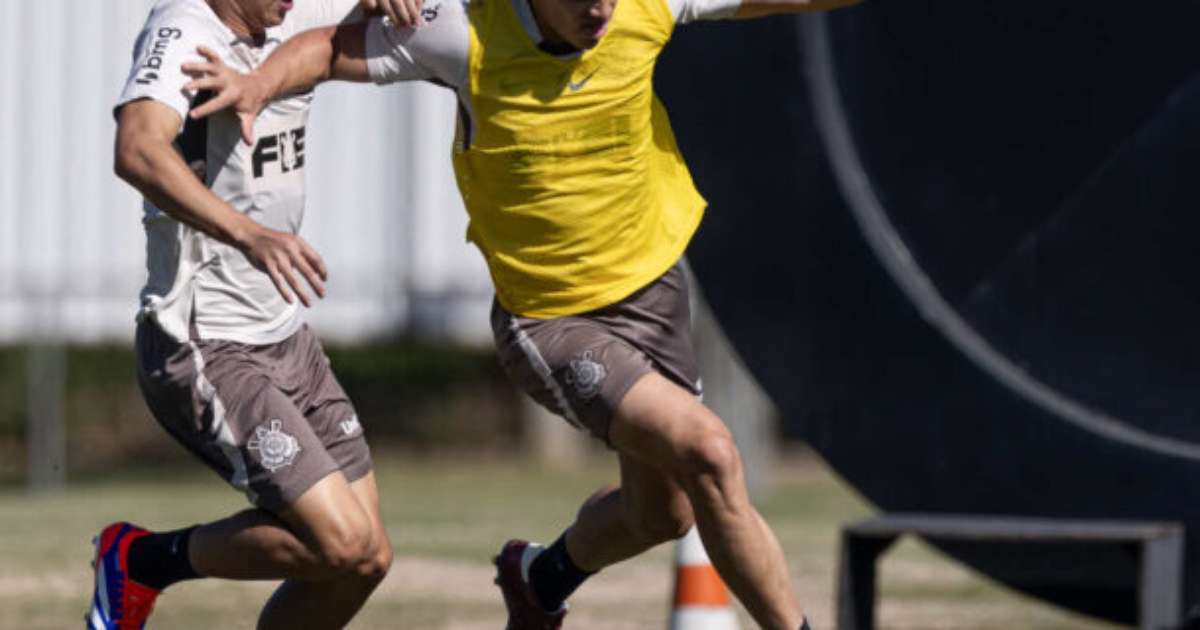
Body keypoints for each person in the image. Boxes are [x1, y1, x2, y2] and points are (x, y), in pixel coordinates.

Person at [184, 0, 859, 626]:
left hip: (654, 297)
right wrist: (259, 84)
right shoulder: (461, 31)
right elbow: (330, 48)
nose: (600, 10)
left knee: (666, 514)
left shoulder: (645, 5)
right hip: (553, 323)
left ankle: (541, 578)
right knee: (711, 452)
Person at [89, 0, 419, 627]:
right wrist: (248, 233)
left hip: (286, 336)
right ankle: (140, 562)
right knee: (342, 543)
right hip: (203, 343)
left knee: (367, 558)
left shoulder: (290, 9)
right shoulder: (183, 30)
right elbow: (136, 149)